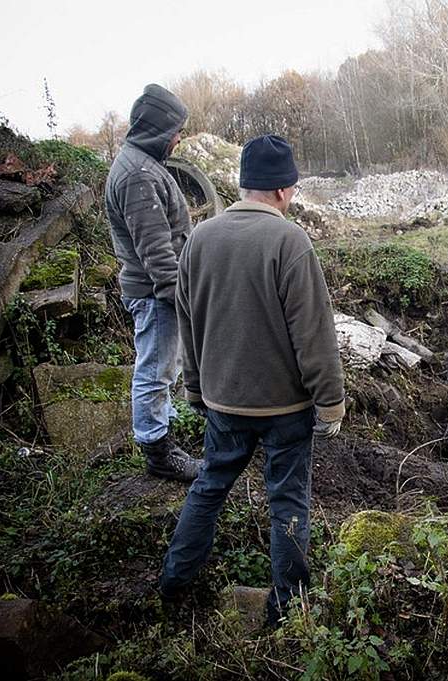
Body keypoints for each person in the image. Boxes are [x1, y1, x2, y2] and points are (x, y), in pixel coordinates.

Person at [159, 134, 346, 624]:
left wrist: (195, 386)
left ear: (244, 183)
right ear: (284, 190)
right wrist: (330, 403)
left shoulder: (201, 238)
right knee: (287, 501)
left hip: (223, 402)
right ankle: (287, 609)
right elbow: (314, 334)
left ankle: (173, 580)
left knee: (208, 486)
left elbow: (188, 318)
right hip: (285, 409)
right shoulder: (290, 241)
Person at [105, 83, 201, 482]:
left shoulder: (141, 163)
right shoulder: (138, 175)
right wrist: (179, 297)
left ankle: (164, 426)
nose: (179, 138)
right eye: (176, 131)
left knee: (165, 366)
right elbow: (156, 251)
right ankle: (157, 450)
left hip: (157, 290)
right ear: (159, 129)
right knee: (155, 370)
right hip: (155, 292)